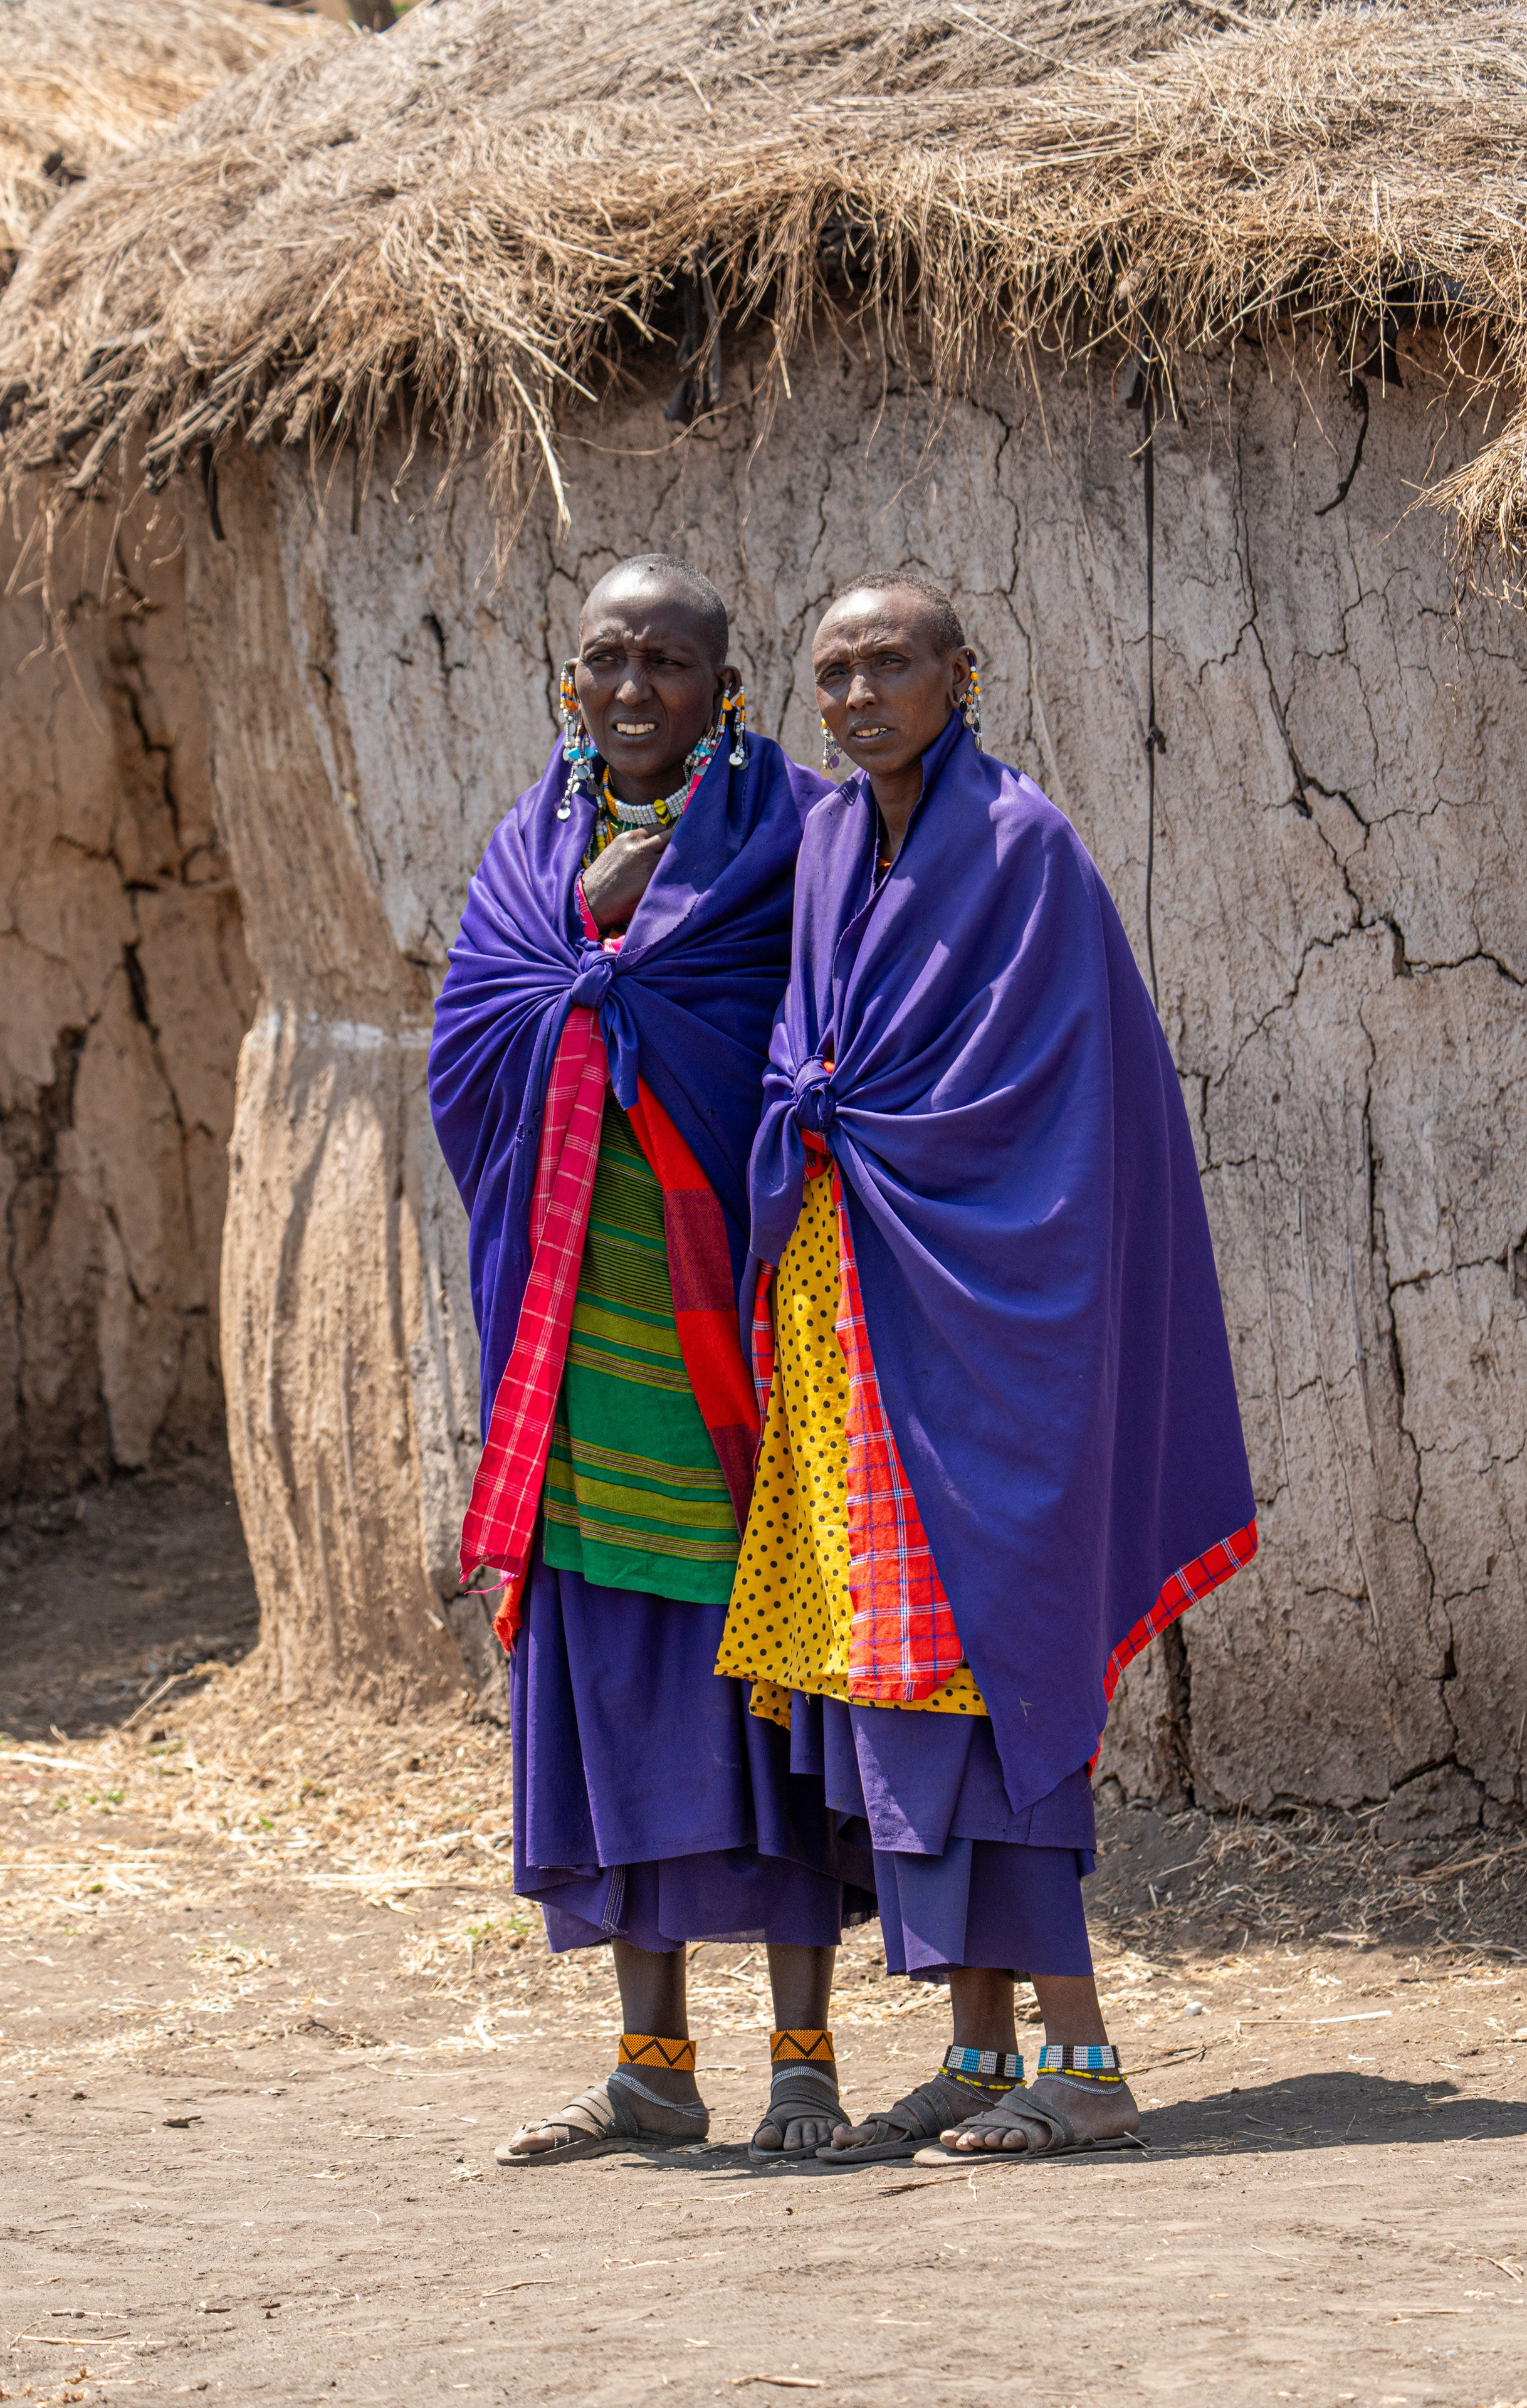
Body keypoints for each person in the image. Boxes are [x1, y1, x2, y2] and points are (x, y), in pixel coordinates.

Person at [713, 574, 1257, 2164]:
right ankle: (974, 2049)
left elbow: (1057, 1116)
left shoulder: (1025, 848)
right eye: (832, 672)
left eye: (890, 663)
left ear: (961, 674)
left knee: (990, 1675)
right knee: (897, 1696)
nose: (858, 696)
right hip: (849, 1328)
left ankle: (1081, 2058)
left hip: (984, 1337)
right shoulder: (828, 843)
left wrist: (886, 1153)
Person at [429, 556, 873, 2167]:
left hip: (740, 1336)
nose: (633, 689)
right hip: (574, 1333)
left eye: (668, 662)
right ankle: (650, 2066)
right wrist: (587, 959)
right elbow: (469, 1045)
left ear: (723, 688)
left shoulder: (794, 836)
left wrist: (632, 957)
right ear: (570, 680)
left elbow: (831, 1028)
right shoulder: (530, 847)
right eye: (607, 659)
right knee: (614, 1685)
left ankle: (804, 2061)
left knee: (768, 1680)